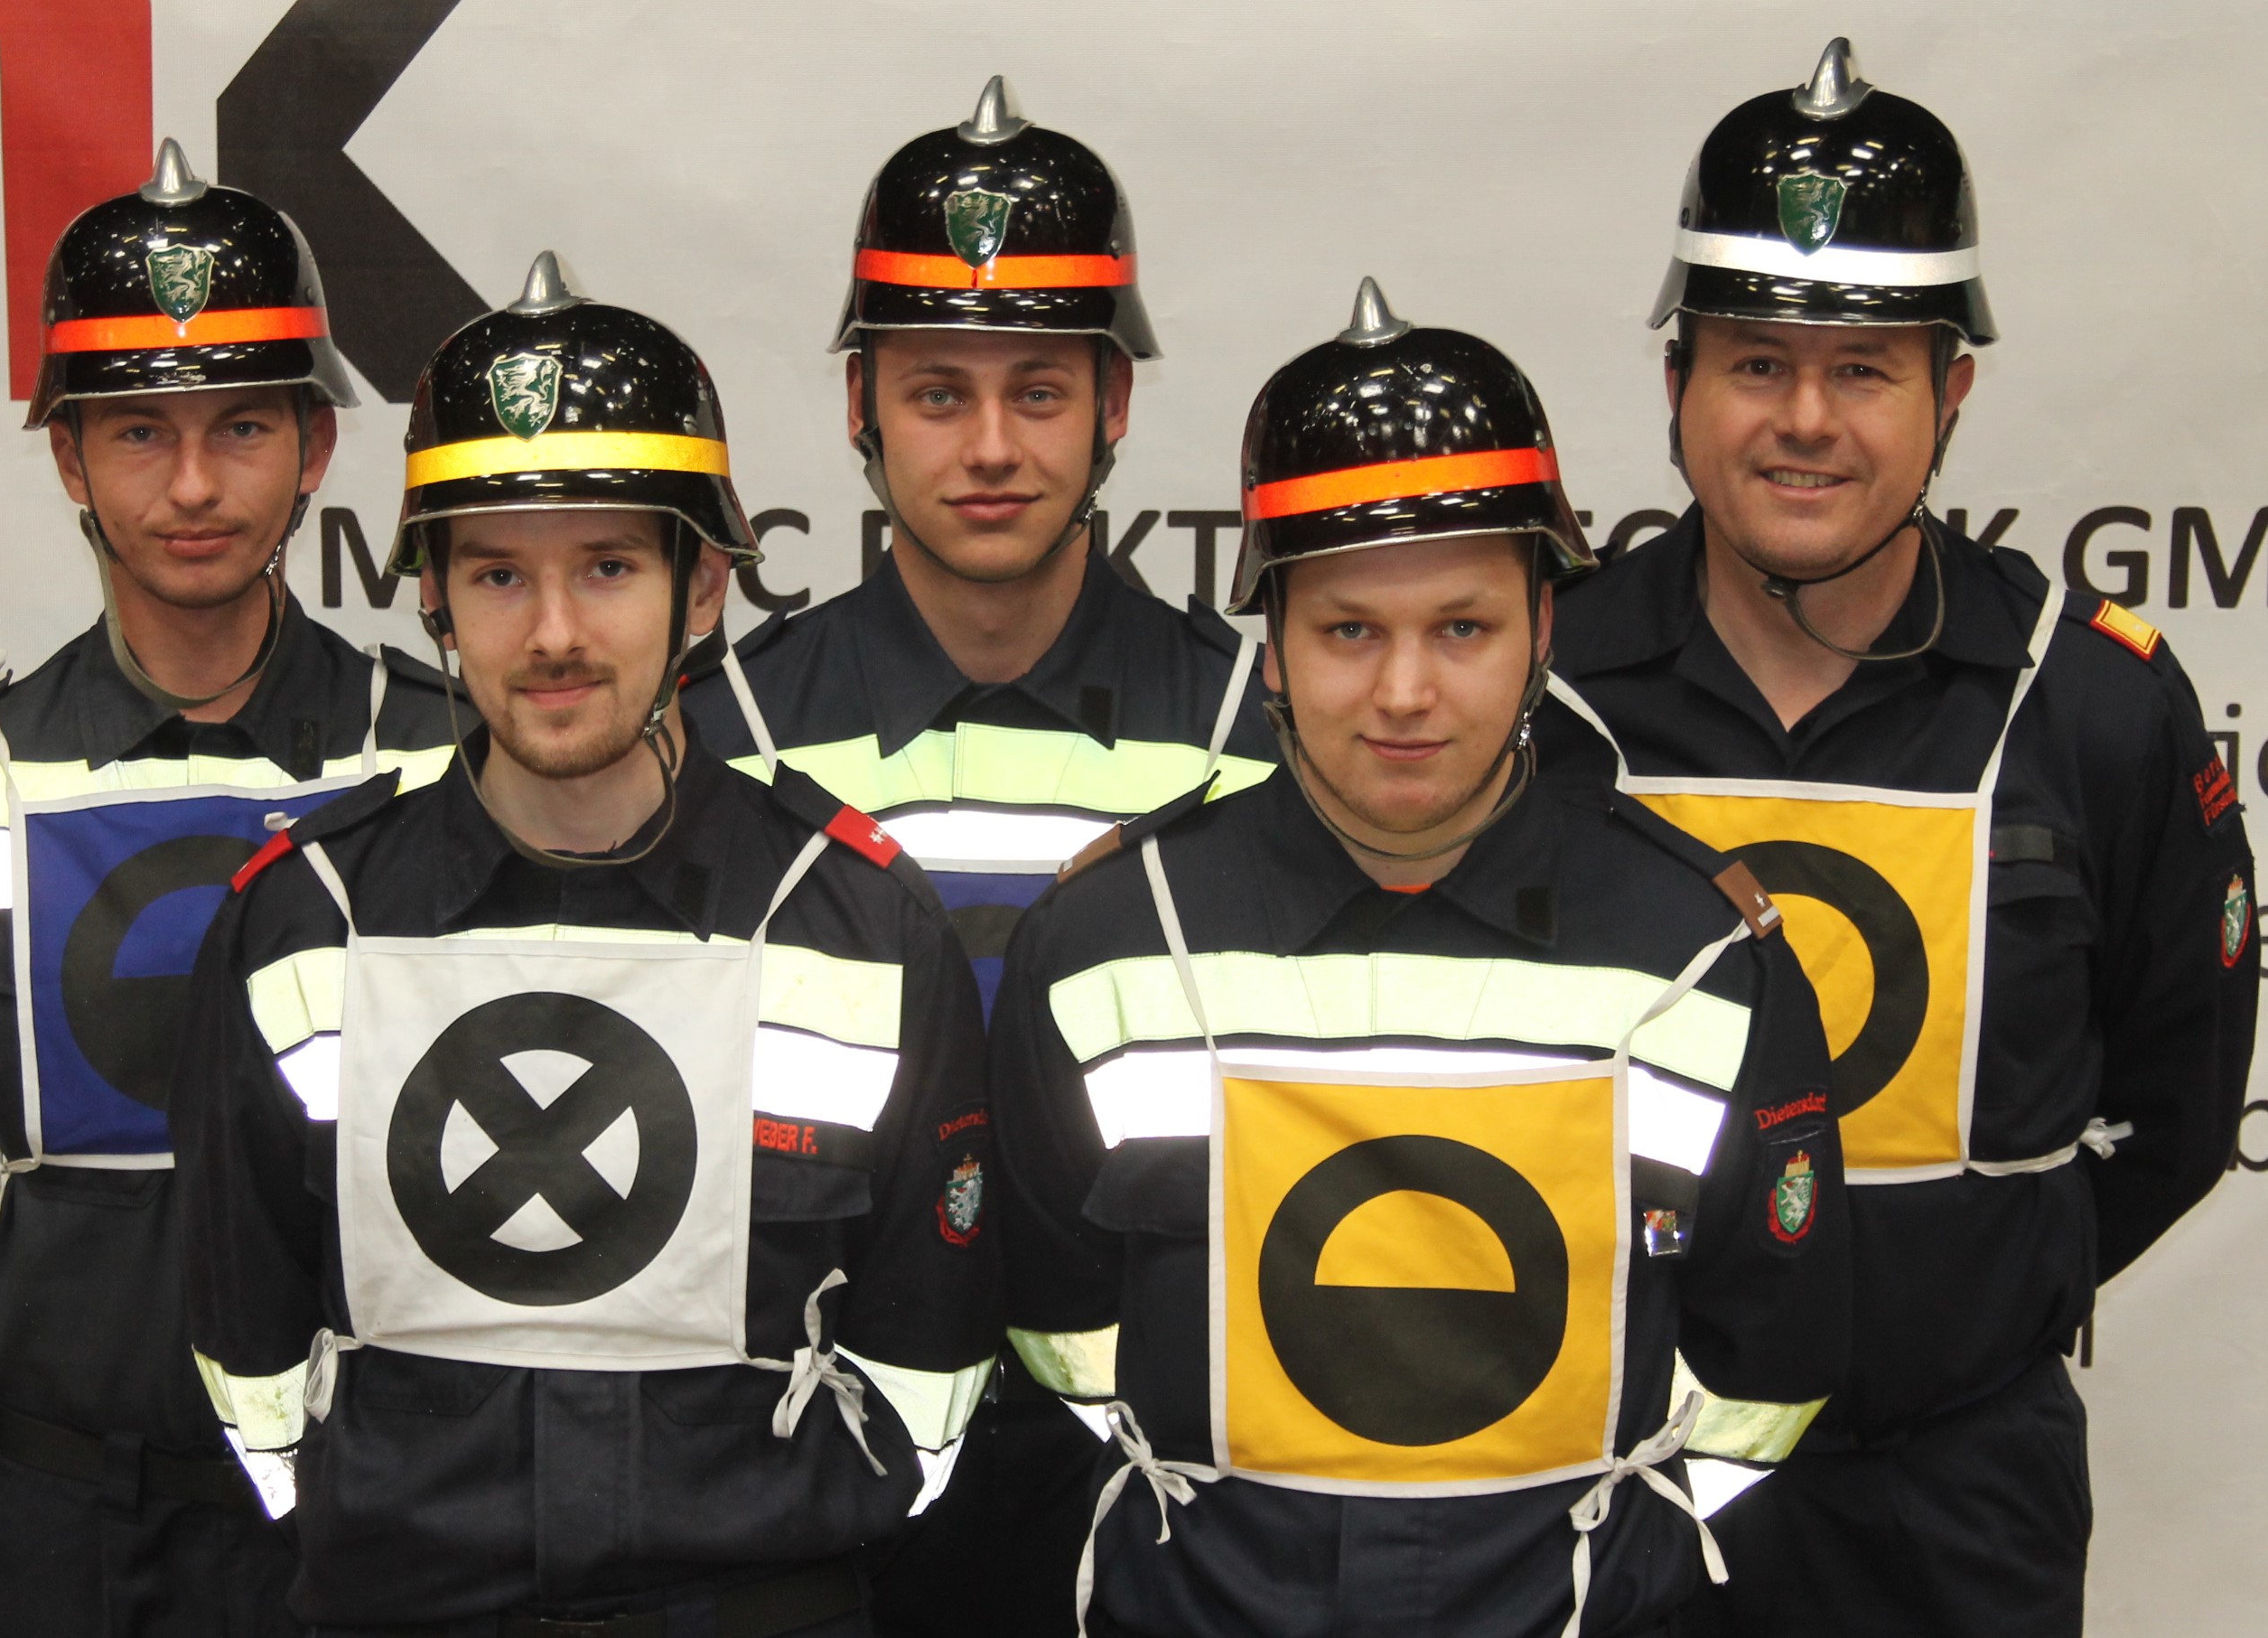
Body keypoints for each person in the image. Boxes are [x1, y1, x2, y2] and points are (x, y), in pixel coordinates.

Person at [991, 280, 1850, 1638]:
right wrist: (1236, 1529)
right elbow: (1057, 1320)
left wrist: (1587, 1547)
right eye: (1349, 630)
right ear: (1272, 644)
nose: (1404, 694)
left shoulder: (1699, 956)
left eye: (1462, 627)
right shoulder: (1103, 944)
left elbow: (1770, 1358)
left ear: (1542, 633)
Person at [1540, 39, 2257, 1635]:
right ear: (1674, 383)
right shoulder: (1542, 688)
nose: (1804, 422)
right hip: (1599, 1478)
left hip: (1958, 1503)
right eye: (1754, 363)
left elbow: (2177, 1110)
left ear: (1951, 393)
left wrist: (1964, 1299)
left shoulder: (2090, 700)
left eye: (1862, 370)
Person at [172, 257, 995, 1636]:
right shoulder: (305, 922)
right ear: (433, 599)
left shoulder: (859, 922)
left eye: (607, 566)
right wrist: (370, 1522)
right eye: (498, 573)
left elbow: (932, 1351)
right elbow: (242, 1342)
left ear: (702, 587)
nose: (553, 634)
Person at [0, 140, 458, 1638]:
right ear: (68, 459)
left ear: (316, 445)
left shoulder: (442, 759)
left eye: (242, 425)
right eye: (138, 431)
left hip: (392, 1512)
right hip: (66, 1531)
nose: (192, 484)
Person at [681, 75, 1277, 1636]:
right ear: (862, 406)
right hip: (815, 1452)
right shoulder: (726, 733)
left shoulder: (1257, 728)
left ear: (1116, 403)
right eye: (939, 392)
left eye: (1040, 392)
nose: (992, 447)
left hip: (1170, 1462)